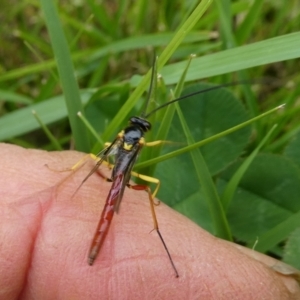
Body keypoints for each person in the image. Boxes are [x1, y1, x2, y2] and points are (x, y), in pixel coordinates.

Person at [0, 143, 299, 299]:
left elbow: (105, 156)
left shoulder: (120, 142)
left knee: (96, 164)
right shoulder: (137, 143)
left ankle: (72, 181)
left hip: (114, 179)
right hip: (119, 181)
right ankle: (155, 230)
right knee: (143, 188)